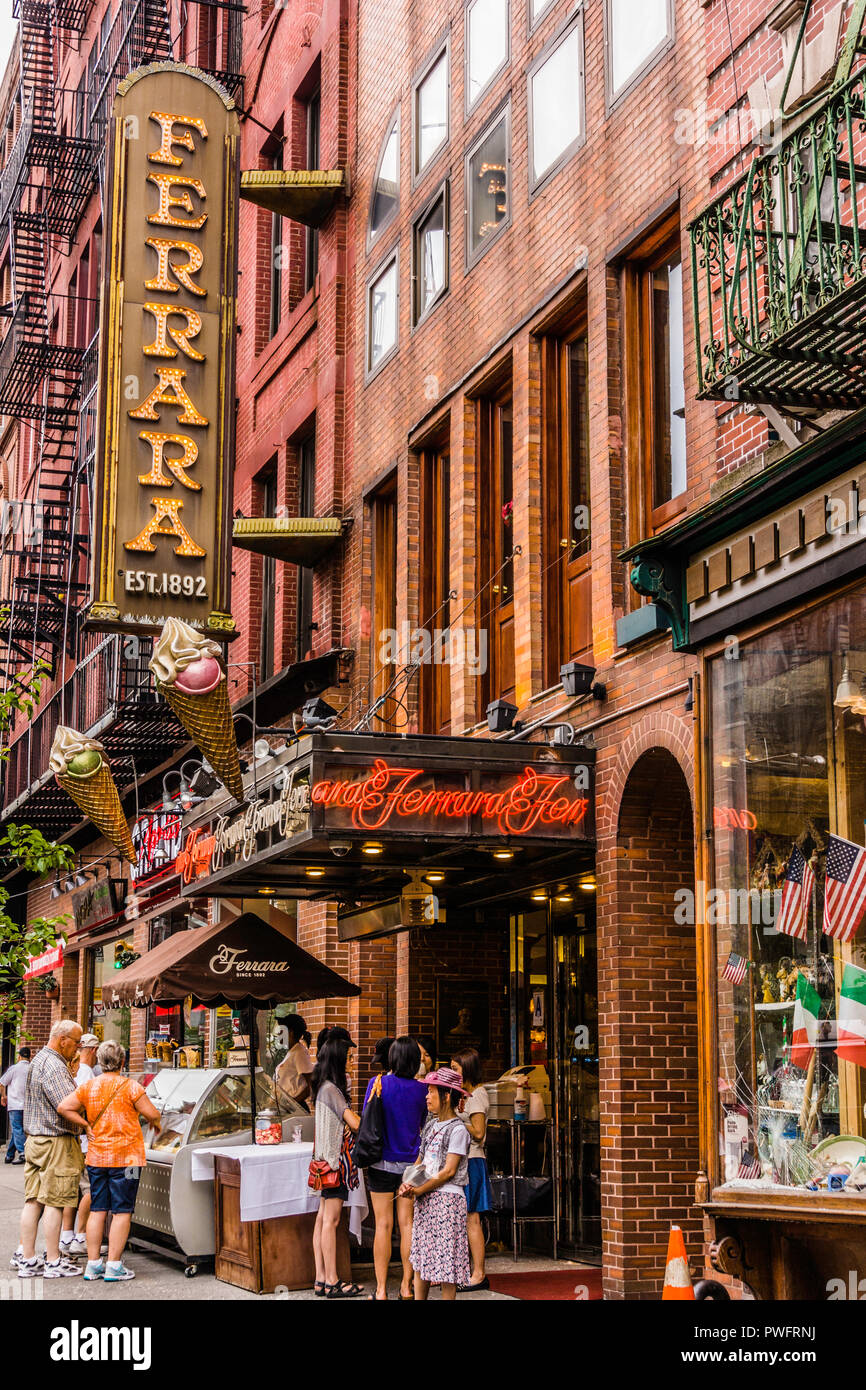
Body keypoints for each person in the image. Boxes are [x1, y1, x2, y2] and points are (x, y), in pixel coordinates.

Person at [57, 1039, 161, 1283]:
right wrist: (154, 1122)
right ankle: (114, 1266)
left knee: (98, 1209)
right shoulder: (131, 1087)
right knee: (122, 1211)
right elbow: (153, 1113)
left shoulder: (89, 1087)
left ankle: (93, 1265)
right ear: (122, 1062)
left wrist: (85, 1125)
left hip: (96, 1158)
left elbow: (64, 1107)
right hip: (128, 1160)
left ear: (100, 1061)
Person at [15, 1020, 85, 1278]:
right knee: (56, 1201)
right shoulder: (55, 1066)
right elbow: (68, 1105)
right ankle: (53, 1260)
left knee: (33, 1200)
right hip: (55, 1141)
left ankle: (28, 1257)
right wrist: (90, 1122)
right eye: (76, 1042)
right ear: (62, 1039)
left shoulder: (38, 1060)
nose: (77, 1047)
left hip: (34, 1139)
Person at [363, 1036, 427, 1300]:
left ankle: (380, 1289)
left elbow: (368, 1119)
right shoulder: (423, 1090)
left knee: (383, 1225)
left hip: (380, 1162)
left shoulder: (377, 1083)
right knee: (408, 1224)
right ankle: (406, 1285)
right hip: (412, 1165)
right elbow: (423, 1126)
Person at [398, 1066, 470, 1301]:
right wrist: (408, 1183)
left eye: (431, 1092)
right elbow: (421, 1161)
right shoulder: (431, 1125)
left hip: (447, 1201)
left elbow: (448, 1171)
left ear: (447, 1096)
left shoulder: (458, 1130)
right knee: (422, 1258)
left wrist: (419, 1189)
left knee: (446, 1262)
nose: (427, 1097)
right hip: (426, 1199)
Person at [310, 1032, 364, 1299]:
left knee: (322, 1220)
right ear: (339, 1059)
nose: (352, 1061)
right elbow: (354, 1124)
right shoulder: (332, 1089)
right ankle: (332, 1280)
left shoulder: (322, 1087)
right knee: (331, 1221)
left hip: (323, 1162)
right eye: (350, 1057)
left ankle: (321, 1278)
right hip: (335, 1162)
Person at [452, 1048, 492, 1292]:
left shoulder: (478, 1095)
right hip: (463, 1160)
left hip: (473, 1161)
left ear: (467, 1068)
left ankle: (479, 1273)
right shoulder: (464, 1095)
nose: (452, 1072)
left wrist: (455, 1122)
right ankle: (466, 1269)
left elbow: (478, 1133)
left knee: (472, 1218)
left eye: (456, 1068)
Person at [60, 1033, 100, 1258]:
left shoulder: (71, 1070)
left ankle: (67, 1236)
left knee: (73, 1191)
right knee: (89, 1190)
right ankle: (80, 1236)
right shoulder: (86, 1072)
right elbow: (84, 1105)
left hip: (74, 1140)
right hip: (87, 1141)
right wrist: (87, 1125)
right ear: (93, 1051)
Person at [274, 1013, 314, 1110]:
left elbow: (311, 1084)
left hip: (295, 1109)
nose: (279, 1034)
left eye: (281, 1031)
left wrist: (293, 1103)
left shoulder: (299, 1052)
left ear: (290, 1032)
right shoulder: (292, 1052)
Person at [1, 1045, 30, 1165]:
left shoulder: (14, 1068)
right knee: (17, 1131)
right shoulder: (32, 1068)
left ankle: (23, 1153)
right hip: (27, 1105)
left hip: (15, 1104)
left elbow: (2, 1083)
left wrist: (3, 1096)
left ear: (19, 1056)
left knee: (17, 1129)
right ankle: (9, 1155)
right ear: (30, 1056)